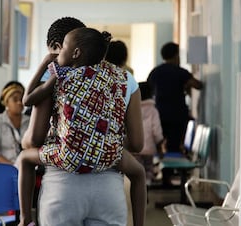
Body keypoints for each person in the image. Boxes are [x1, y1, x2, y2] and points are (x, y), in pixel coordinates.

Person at [16, 27, 145, 226]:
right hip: (109, 178)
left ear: (69, 50)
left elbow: (34, 138)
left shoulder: (58, 76)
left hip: (63, 179)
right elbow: (137, 144)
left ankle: (25, 221)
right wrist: (103, 143)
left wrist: (45, 63)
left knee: (24, 157)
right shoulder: (124, 79)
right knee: (139, 173)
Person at [146, 42, 202, 186]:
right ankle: (169, 177)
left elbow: (149, 89)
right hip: (177, 116)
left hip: (160, 115)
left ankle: (164, 176)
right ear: (176, 55)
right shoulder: (180, 72)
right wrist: (186, 84)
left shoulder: (155, 72)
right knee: (174, 146)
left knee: (160, 145)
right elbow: (198, 85)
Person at [0, 81, 30, 164]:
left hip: (26, 171)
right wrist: (14, 167)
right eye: (15, 99)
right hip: (3, 171)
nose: (19, 102)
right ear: (6, 102)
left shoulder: (29, 121)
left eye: (21, 99)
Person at [136, 82, 164, 185]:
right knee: (148, 168)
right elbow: (156, 129)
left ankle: (138, 186)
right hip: (149, 147)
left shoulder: (134, 109)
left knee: (137, 169)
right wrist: (159, 141)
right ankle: (147, 184)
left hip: (136, 146)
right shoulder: (153, 110)